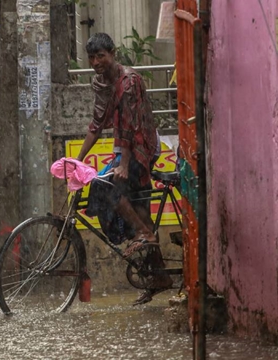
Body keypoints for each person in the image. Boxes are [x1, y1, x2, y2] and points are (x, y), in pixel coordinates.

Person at [76, 33, 173, 304]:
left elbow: (131, 125)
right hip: (124, 144)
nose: (96, 62)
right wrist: (79, 159)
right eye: (92, 58)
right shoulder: (102, 83)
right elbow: (96, 124)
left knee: (105, 186)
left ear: (113, 53)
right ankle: (160, 275)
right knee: (140, 209)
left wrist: (125, 164)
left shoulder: (129, 82)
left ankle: (143, 234)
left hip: (141, 144)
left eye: (101, 56)